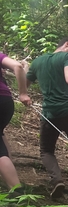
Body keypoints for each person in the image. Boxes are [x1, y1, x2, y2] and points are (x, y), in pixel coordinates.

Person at [26, 38, 68, 205]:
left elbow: (25, 83)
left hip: (50, 114)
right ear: (66, 45)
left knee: (46, 151)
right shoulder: (67, 57)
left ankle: (57, 181)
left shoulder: (37, 62)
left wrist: (25, 69)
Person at [0, 53, 31, 191]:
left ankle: (16, 189)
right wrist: (22, 92)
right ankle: (9, 178)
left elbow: (17, 67)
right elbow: (19, 67)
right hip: (6, 102)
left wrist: (24, 93)